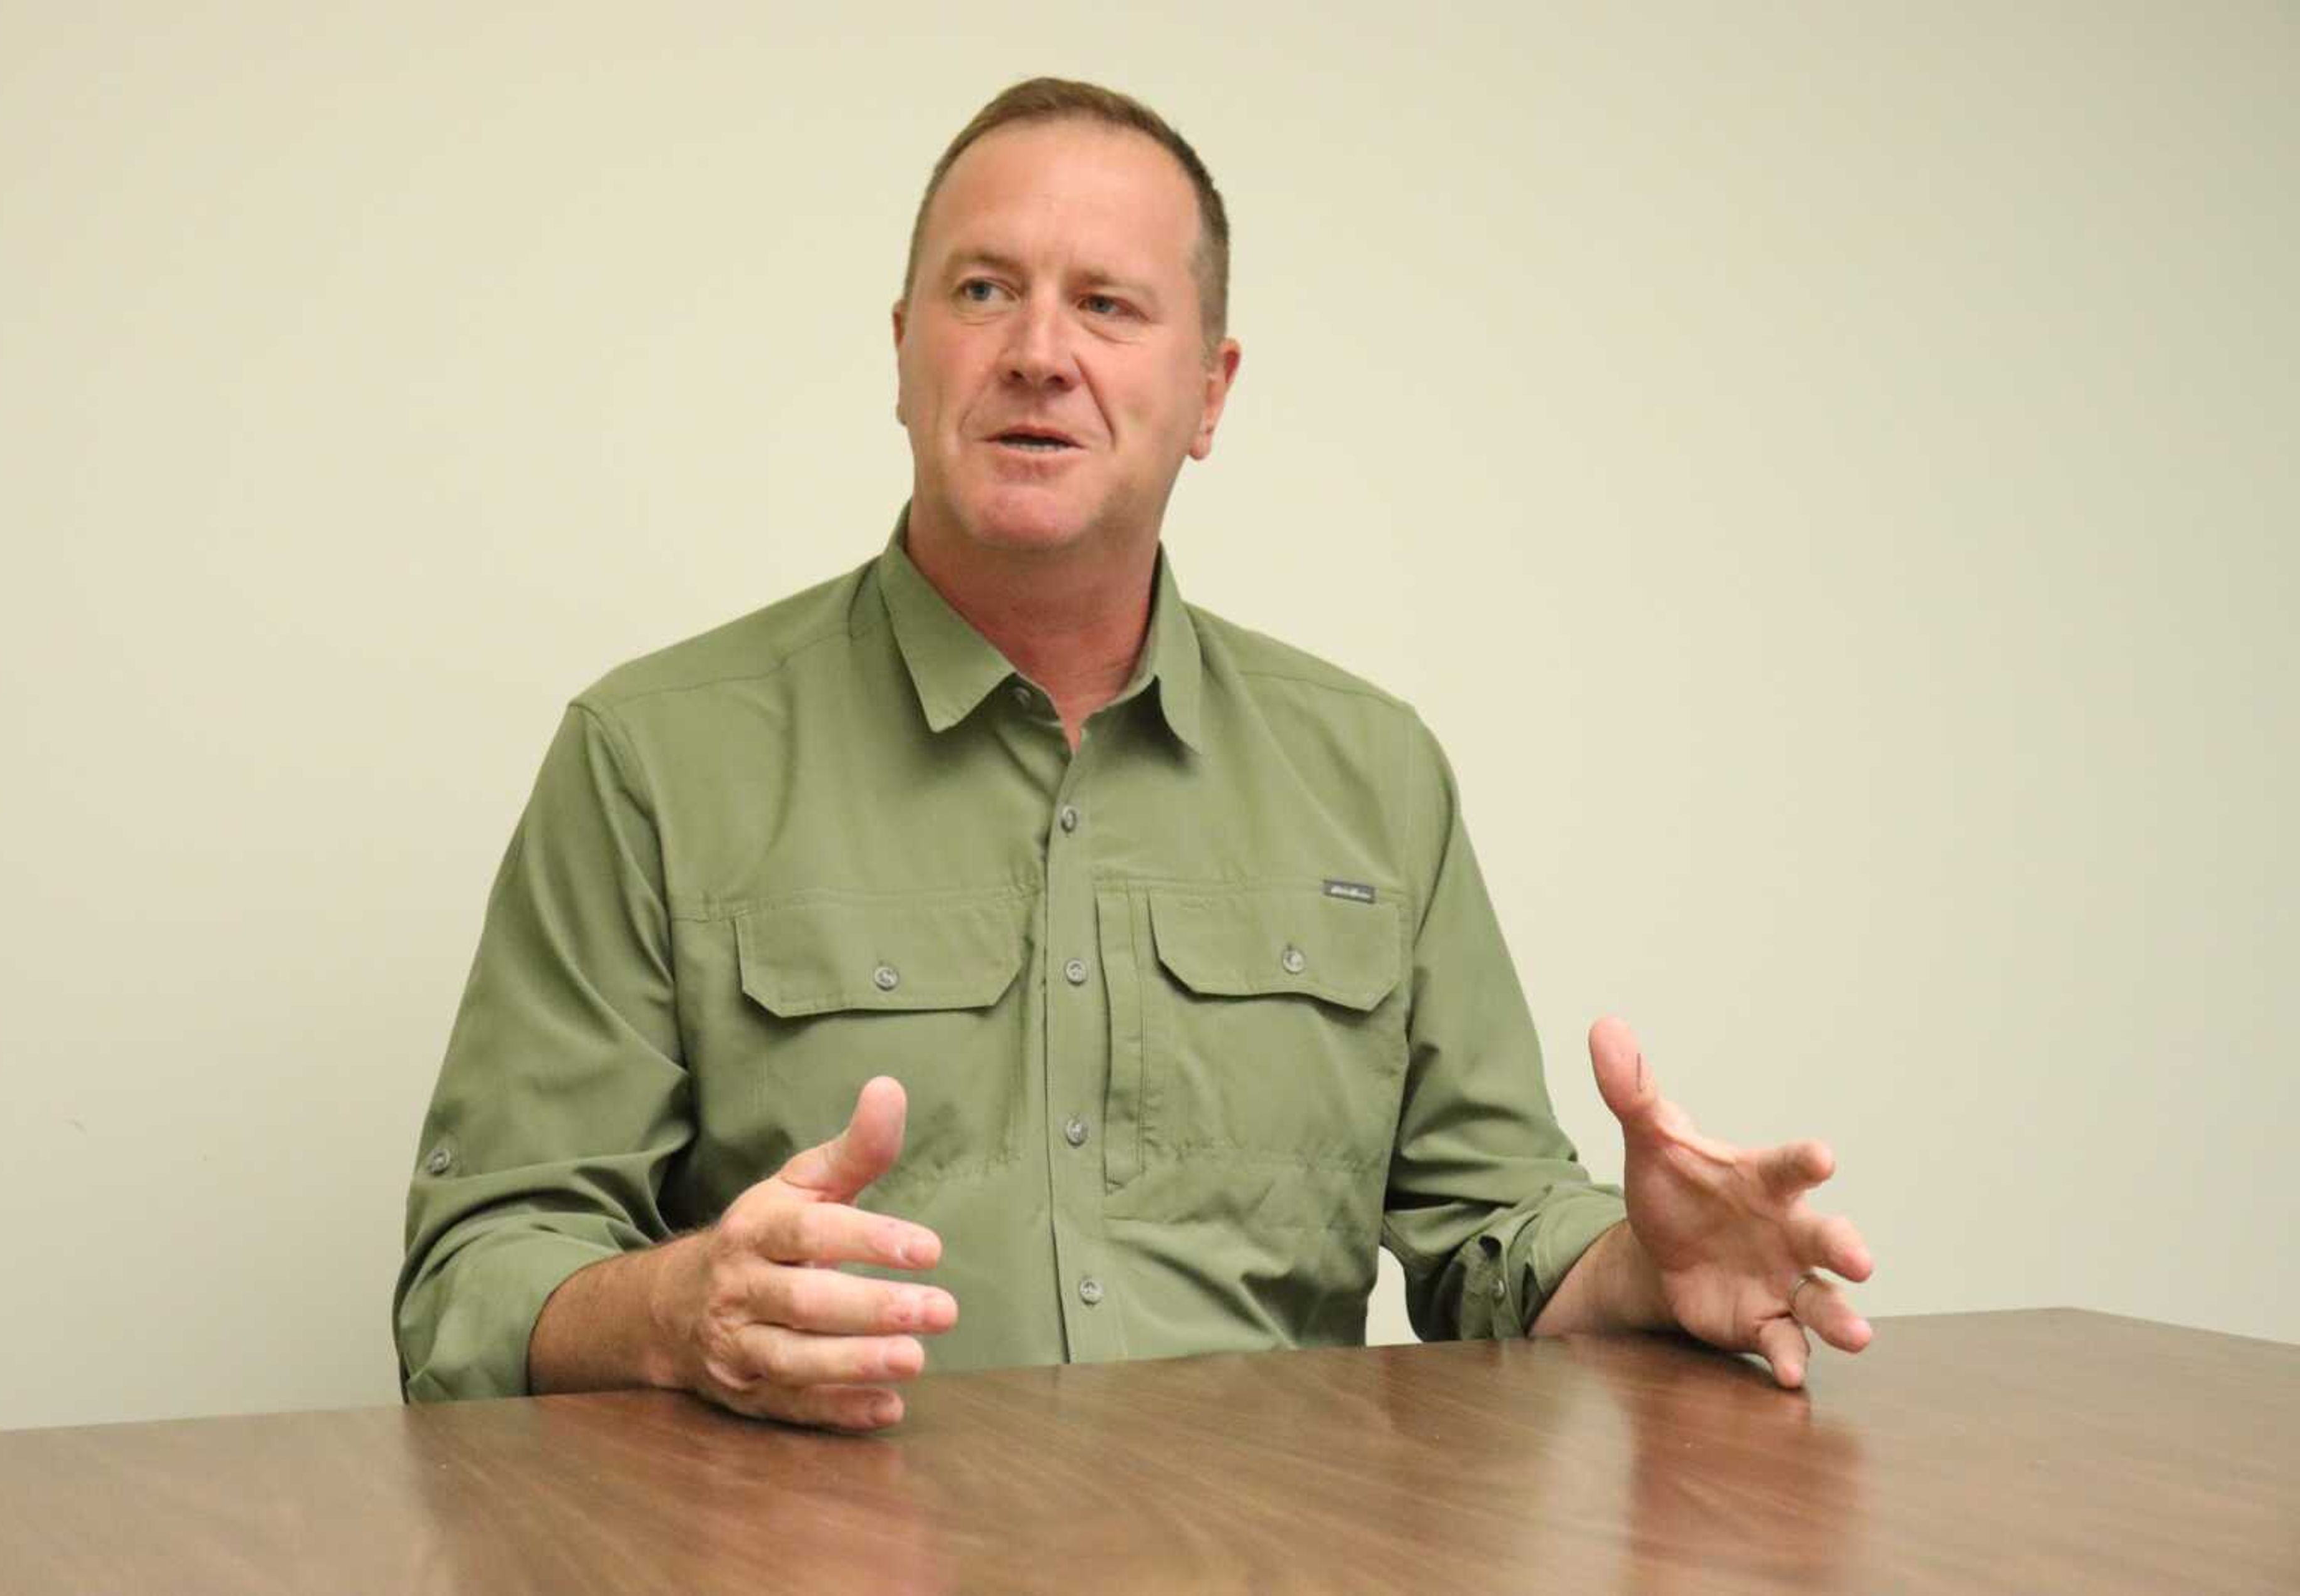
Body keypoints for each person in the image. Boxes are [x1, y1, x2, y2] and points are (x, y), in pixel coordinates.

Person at [394, 77, 1874, 1433]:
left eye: (1107, 305)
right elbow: (472, 1283)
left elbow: (1495, 1234)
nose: (1039, 354)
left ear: (1212, 393)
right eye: (984, 292)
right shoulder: (651, 758)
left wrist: (1639, 1268)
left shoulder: (1375, 776)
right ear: (902, 350)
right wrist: (676, 1313)